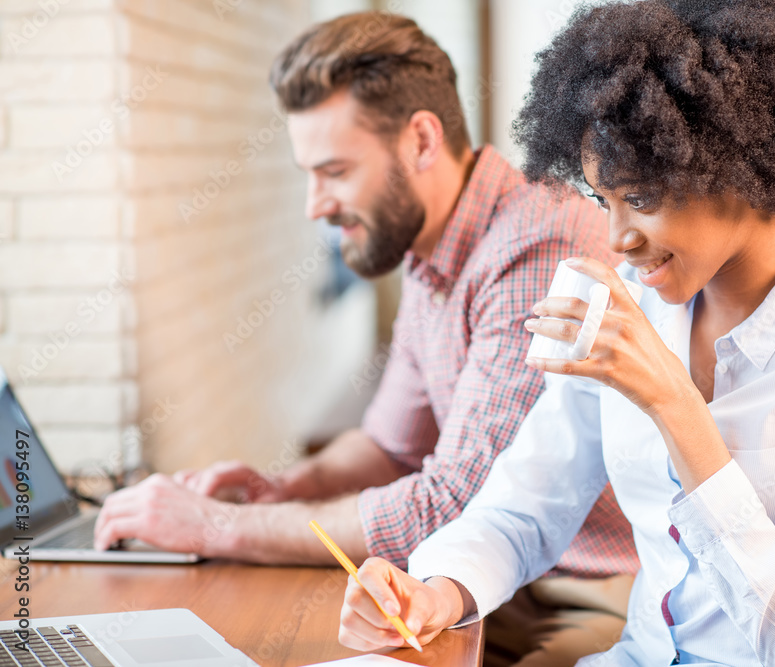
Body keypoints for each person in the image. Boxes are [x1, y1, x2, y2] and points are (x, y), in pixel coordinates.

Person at [336, 1, 775, 665]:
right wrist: (437, 591)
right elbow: (525, 506)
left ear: (742, 168)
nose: (616, 239)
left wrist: (675, 404)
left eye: (643, 200)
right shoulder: (626, 309)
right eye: (605, 200)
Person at [94, 12, 639, 665]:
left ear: (421, 140)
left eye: (334, 171)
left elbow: (447, 504)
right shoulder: (428, 247)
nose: (315, 205)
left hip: (581, 588)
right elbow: (388, 445)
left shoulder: (535, 247)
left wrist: (215, 526)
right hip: (482, 577)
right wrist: (285, 488)